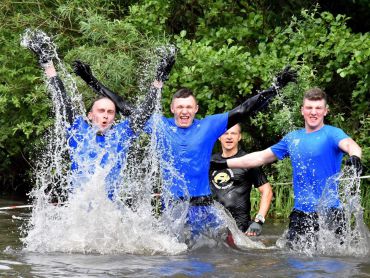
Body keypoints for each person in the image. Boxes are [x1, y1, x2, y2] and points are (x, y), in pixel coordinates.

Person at [79, 60, 297, 238]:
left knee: (228, 252)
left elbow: (244, 110)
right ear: (172, 108)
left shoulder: (209, 126)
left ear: (196, 109)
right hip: (174, 209)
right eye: (180, 107)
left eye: (189, 107)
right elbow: (123, 105)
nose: (184, 111)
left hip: (205, 208)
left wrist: (274, 89)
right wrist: (91, 80)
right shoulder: (159, 126)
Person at [23, 29, 174, 200]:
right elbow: (62, 99)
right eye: (101, 111)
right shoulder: (77, 131)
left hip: (108, 211)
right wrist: (48, 65)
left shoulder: (121, 134)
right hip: (79, 212)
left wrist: (158, 81)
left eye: (110, 112)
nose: (106, 115)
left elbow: (144, 112)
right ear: (89, 115)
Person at [211, 87, 363, 246]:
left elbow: (350, 145)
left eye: (318, 108)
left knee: (335, 264)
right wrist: (223, 163)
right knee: (294, 263)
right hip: (301, 214)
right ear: (302, 110)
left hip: (330, 212)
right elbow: (260, 157)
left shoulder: (333, 133)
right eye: (309, 108)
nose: (313, 112)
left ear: (325, 111)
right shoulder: (292, 138)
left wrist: (355, 157)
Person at [209, 123, 273, 236]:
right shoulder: (211, 161)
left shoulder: (248, 160)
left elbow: (266, 191)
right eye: (225, 133)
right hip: (213, 225)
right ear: (219, 137)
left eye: (233, 133)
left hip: (240, 228)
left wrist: (259, 221)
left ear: (239, 137)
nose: (229, 137)